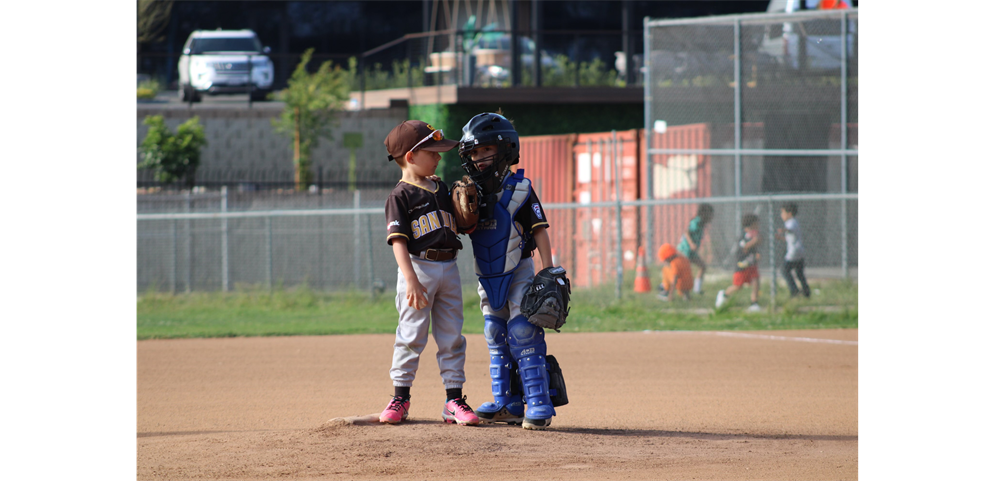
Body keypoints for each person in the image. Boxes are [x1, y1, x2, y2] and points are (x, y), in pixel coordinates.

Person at [457, 111, 558, 430]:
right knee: (494, 334)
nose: (478, 158)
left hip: (521, 270)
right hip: (486, 275)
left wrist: (549, 270)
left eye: (484, 149)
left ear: (505, 149)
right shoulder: (471, 193)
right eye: (473, 152)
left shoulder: (521, 189)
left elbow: (540, 229)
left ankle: (539, 402)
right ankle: (507, 403)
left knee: (522, 332)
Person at [380, 120, 480, 426]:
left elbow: (462, 225)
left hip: (449, 267)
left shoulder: (441, 187)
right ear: (410, 157)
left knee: (451, 337)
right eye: (432, 152)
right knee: (411, 336)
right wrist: (410, 278)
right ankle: (400, 398)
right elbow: (398, 240)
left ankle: (454, 401)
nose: (439, 157)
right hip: (418, 269)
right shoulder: (400, 196)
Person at [716, 213, 762, 312]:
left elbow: (756, 245)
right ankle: (724, 294)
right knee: (738, 286)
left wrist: (757, 252)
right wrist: (754, 241)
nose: (758, 226)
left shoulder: (755, 235)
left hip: (752, 264)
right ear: (751, 225)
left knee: (756, 282)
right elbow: (744, 247)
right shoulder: (744, 235)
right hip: (742, 265)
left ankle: (754, 303)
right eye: (756, 224)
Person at [677, 204, 714, 295]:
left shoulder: (702, 224)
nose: (712, 217)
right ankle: (666, 286)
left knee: (702, 266)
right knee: (681, 271)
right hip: (685, 250)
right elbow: (687, 232)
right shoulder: (697, 222)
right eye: (710, 214)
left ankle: (697, 289)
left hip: (692, 252)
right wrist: (691, 244)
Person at [777, 202, 811, 298]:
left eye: (783, 213)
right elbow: (791, 237)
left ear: (790, 214)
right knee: (799, 273)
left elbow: (790, 229)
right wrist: (781, 238)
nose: (781, 215)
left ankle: (794, 290)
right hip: (799, 251)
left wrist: (783, 230)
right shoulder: (795, 221)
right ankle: (806, 291)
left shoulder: (791, 222)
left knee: (784, 270)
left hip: (793, 253)